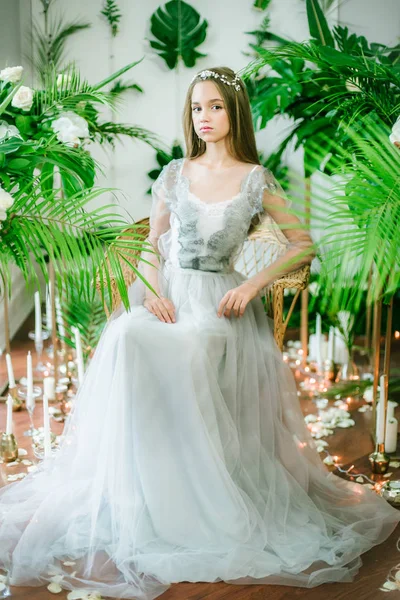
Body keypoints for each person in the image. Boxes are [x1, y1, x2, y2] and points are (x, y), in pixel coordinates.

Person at [0, 66, 399, 600]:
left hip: (222, 307)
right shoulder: (174, 173)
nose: (204, 117)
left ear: (234, 113)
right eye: (196, 108)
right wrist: (152, 293)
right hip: (170, 299)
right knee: (125, 338)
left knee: (182, 348)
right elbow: (150, 244)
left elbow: (302, 242)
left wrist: (253, 286)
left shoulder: (255, 177)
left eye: (214, 106)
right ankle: (149, 485)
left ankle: (198, 498)